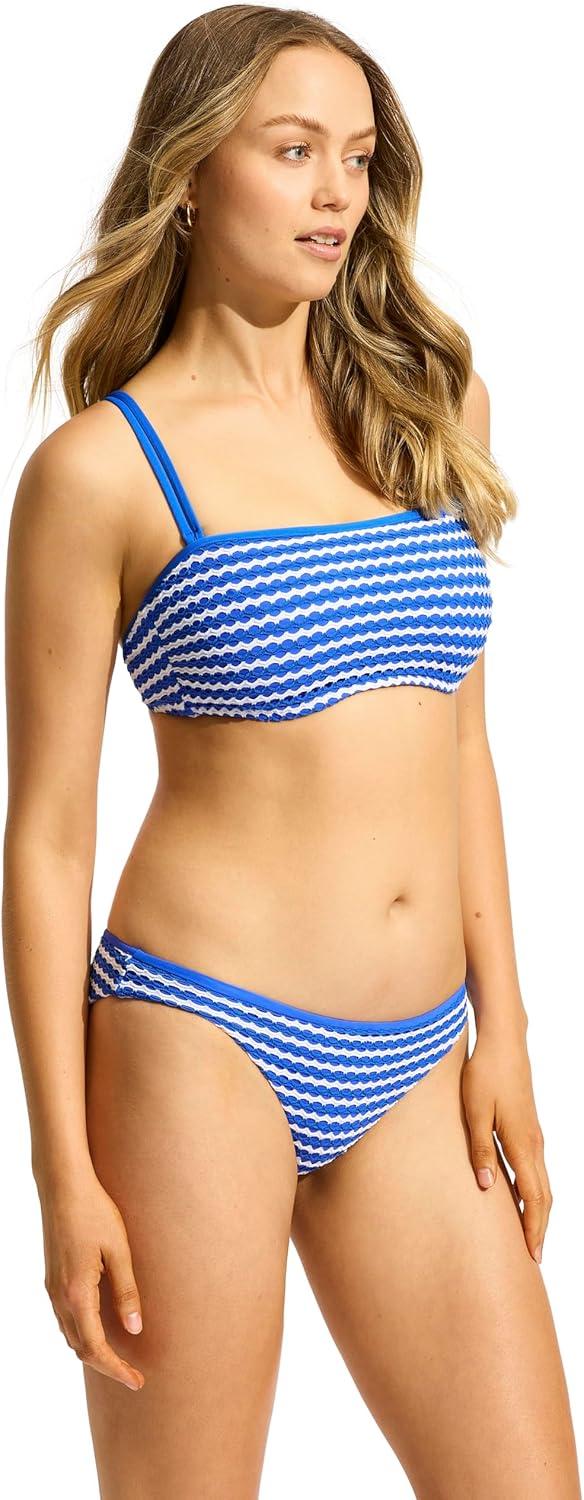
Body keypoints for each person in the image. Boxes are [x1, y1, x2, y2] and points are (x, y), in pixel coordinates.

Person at [3, 7, 581, 1497]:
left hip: (420, 1057)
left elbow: (464, 750)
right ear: (192, 174)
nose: (337, 193)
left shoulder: (430, 411)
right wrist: (63, 1173)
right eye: (293, 150)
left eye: (359, 158)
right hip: (199, 1039)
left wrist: (508, 1038)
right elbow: (48, 836)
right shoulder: (102, 471)